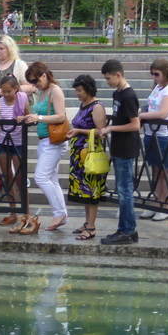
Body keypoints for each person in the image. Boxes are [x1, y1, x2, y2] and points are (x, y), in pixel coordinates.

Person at [19, 62, 70, 233]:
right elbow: (37, 112)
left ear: (44, 75)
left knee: (41, 177)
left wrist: (38, 118)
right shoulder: (42, 92)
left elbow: (60, 116)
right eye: (31, 82)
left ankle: (59, 214)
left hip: (54, 140)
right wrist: (27, 117)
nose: (34, 85)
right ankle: (61, 214)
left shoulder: (55, 90)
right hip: (44, 140)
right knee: (52, 179)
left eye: (35, 81)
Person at [98, 59, 141, 245]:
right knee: (123, 191)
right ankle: (126, 229)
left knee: (125, 192)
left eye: (109, 78)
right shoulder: (118, 94)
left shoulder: (128, 95)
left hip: (126, 148)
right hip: (119, 148)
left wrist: (110, 129)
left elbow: (135, 124)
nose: (107, 82)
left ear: (118, 75)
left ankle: (127, 230)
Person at [66, 74, 108, 241]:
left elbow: (101, 132)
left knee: (91, 191)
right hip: (80, 155)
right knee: (85, 191)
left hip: (89, 155)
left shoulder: (96, 107)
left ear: (88, 90)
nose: (77, 94)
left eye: (79, 90)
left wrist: (79, 131)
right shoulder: (84, 105)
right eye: (76, 90)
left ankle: (91, 227)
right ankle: (87, 222)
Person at [138, 58, 168, 221]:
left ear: (165, 73)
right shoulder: (158, 87)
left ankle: (167, 205)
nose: (154, 77)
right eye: (152, 74)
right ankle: (157, 202)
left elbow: (162, 113)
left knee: (166, 170)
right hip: (152, 134)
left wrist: (141, 116)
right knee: (155, 169)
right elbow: (152, 106)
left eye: (156, 74)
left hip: (164, 135)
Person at [0, 75, 29, 229]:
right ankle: (13, 211)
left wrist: (23, 118)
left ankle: (26, 212)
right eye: (4, 91)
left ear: (16, 89)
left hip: (18, 142)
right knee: (7, 176)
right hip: (3, 141)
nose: (6, 94)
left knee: (21, 177)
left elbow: (29, 117)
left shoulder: (22, 99)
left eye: (9, 91)